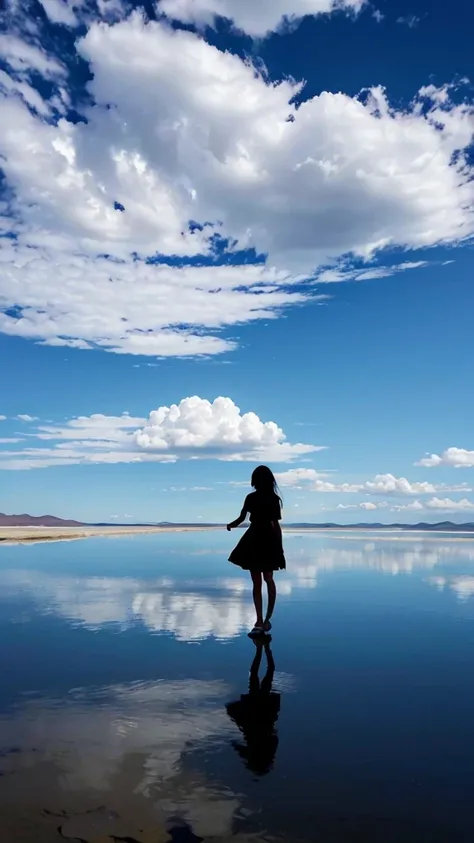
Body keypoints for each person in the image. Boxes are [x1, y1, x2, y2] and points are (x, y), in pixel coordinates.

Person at [227, 465, 286, 637]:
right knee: (268, 579)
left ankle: (260, 620)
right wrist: (280, 547)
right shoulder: (273, 498)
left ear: (254, 481)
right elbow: (276, 525)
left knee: (258, 582)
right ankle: (265, 619)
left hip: (255, 537)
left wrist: (232, 524)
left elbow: (242, 518)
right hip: (267, 538)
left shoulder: (252, 497)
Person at [226, 638, 280, 777]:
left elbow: (275, 737)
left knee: (266, 675)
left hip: (264, 711)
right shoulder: (254, 751)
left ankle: (264, 649)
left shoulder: (265, 750)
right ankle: (261, 649)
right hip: (254, 711)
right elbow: (238, 746)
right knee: (256, 676)